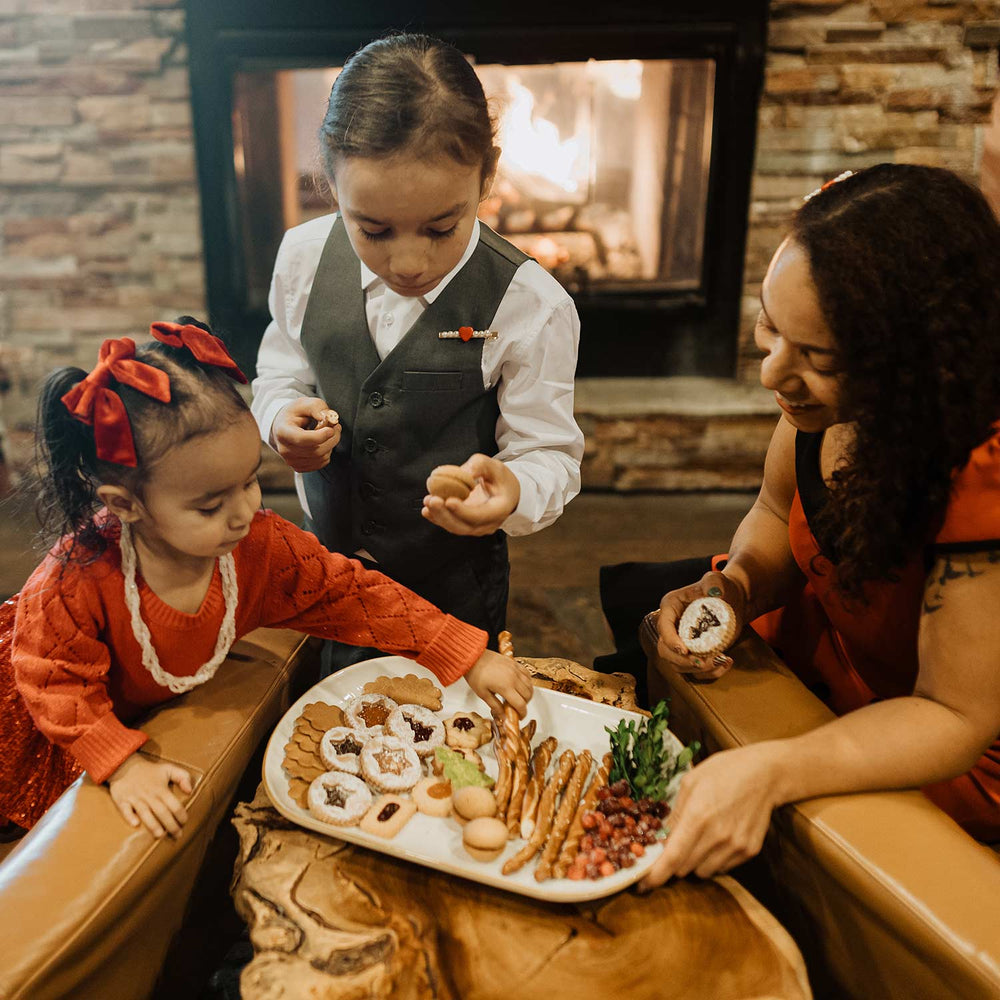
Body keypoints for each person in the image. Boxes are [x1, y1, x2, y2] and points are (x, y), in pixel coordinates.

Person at [0, 320, 533, 840]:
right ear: (126, 504)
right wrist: (119, 763)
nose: (245, 511)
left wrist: (465, 652)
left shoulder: (260, 546)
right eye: (211, 505)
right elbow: (54, 679)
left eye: (252, 480)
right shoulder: (75, 579)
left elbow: (350, 593)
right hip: (37, 725)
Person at [634, 164, 1000, 889]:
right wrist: (735, 585)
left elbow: (954, 715)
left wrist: (772, 769)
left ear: (909, 368)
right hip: (826, 650)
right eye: (771, 328)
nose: (773, 373)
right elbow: (776, 513)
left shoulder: (981, 467)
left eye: (816, 357)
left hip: (937, 739)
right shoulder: (815, 404)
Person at [250, 33, 583, 668]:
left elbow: (551, 452)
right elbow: (281, 372)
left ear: (487, 177)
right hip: (332, 578)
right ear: (331, 186)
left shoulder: (530, 305)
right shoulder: (301, 258)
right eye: (372, 230)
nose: (408, 261)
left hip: (452, 591)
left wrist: (513, 487)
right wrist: (278, 417)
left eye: (441, 227)